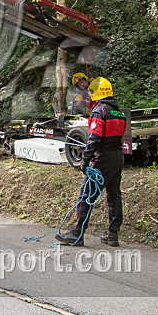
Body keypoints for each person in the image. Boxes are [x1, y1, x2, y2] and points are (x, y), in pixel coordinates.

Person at [56, 77, 126, 247]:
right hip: (118, 157)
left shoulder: (99, 111)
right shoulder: (119, 113)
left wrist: (85, 161)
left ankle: (77, 234)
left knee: (86, 196)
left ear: (96, 93)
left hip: (102, 158)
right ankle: (112, 234)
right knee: (114, 196)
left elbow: (94, 139)